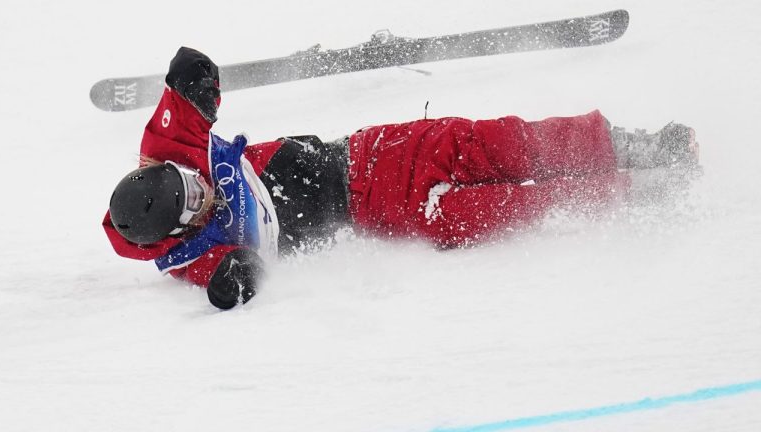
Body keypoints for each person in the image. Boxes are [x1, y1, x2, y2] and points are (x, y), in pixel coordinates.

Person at [103, 47, 699, 310]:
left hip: (372, 156)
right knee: (506, 208)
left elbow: (184, 80)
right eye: (195, 205)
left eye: (191, 181)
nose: (202, 192)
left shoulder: (169, 149)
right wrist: (231, 281)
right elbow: (232, 277)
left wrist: (195, 78)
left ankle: (636, 147)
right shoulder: (188, 254)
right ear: (179, 230)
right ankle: (640, 191)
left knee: (502, 144)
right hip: (387, 213)